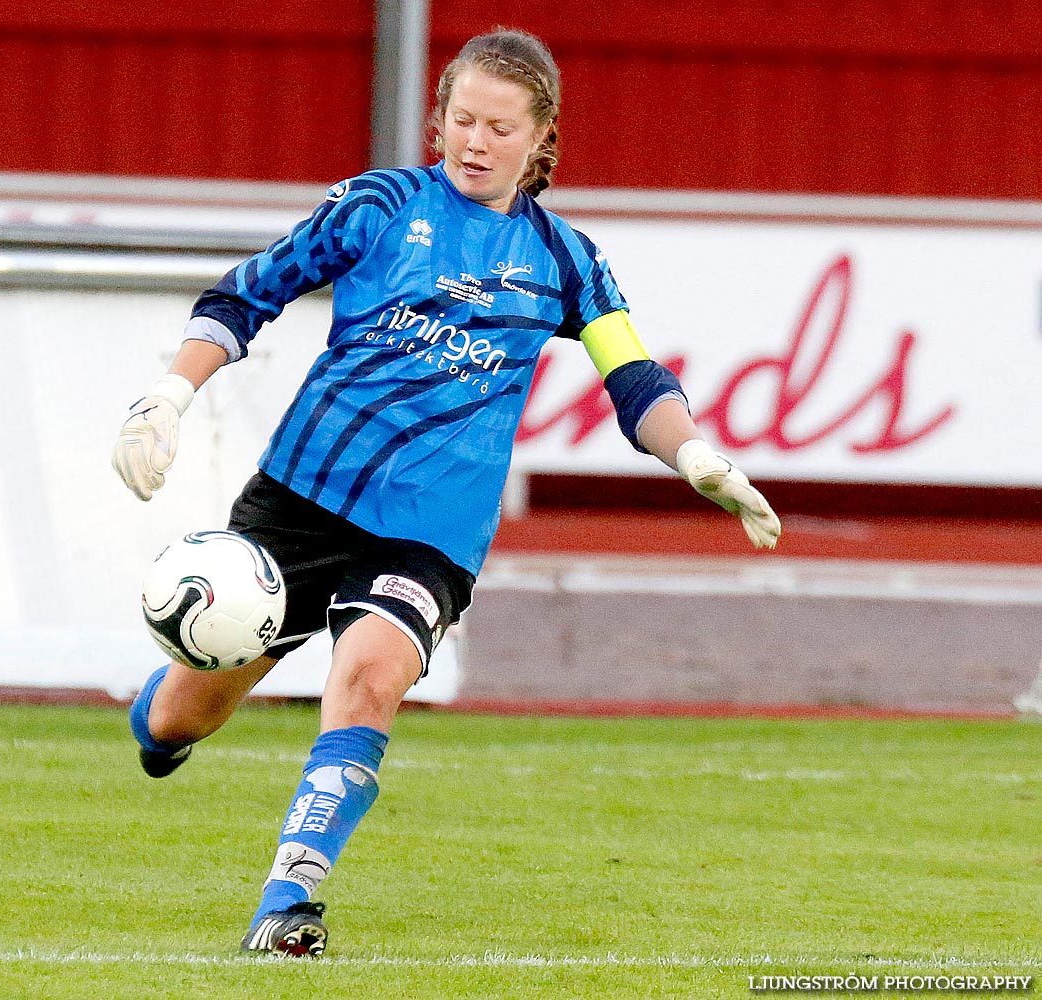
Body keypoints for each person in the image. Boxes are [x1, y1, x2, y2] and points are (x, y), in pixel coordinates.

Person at [111, 27, 781, 959]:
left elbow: (633, 379)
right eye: (462, 119)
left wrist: (700, 458)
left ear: (541, 138)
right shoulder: (381, 206)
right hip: (303, 496)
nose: (475, 141)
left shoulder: (565, 259)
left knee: (372, 677)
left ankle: (287, 902)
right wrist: (172, 394)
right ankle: (159, 724)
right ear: (440, 119)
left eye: (499, 127)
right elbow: (245, 294)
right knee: (190, 707)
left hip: (431, 529)